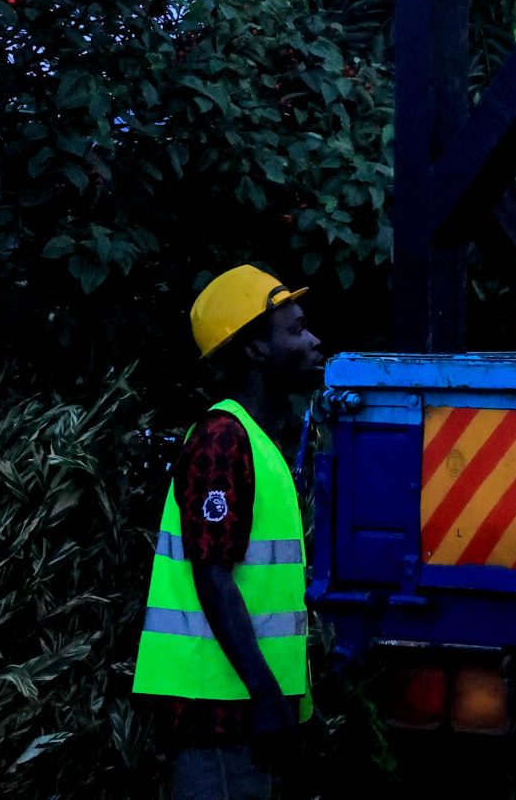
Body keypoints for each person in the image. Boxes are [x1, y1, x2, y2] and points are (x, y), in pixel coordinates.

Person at [134, 265, 327, 799]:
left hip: (248, 712)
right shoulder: (223, 438)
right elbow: (212, 575)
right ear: (254, 350)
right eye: (296, 330)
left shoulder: (257, 441)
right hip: (219, 714)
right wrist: (265, 695)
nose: (314, 341)